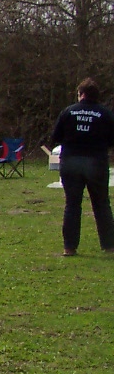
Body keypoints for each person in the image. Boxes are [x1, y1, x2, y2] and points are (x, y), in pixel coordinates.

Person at [49, 77, 114, 256]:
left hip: (71, 162)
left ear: (82, 94)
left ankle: (69, 247)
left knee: (72, 205)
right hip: (96, 162)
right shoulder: (105, 114)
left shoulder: (68, 112)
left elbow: (56, 137)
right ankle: (109, 246)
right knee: (101, 204)